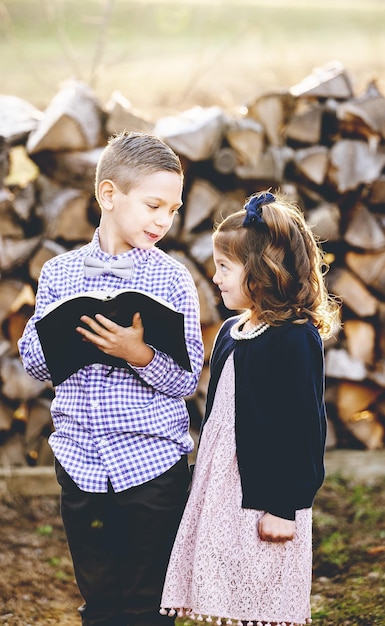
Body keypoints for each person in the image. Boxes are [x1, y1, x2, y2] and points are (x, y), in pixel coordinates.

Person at [18, 131, 204, 626]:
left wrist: (138, 354)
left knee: (147, 604)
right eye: (152, 205)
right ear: (108, 194)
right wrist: (63, 342)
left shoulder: (171, 278)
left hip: (151, 467)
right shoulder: (59, 273)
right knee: (100, 602)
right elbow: (34, 363)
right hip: (80, 463)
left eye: (173, 208)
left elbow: (188, 378)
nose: (163, 220)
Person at [160, 190, 341, 626]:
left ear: (261, 274)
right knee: (223, 587)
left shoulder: (294, 338)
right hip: (221, 486)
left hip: (264, 494)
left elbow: (304, 429)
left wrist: (284, 506)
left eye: (225, 267)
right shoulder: (230, 331)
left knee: (261, 590)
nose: (215, 276)